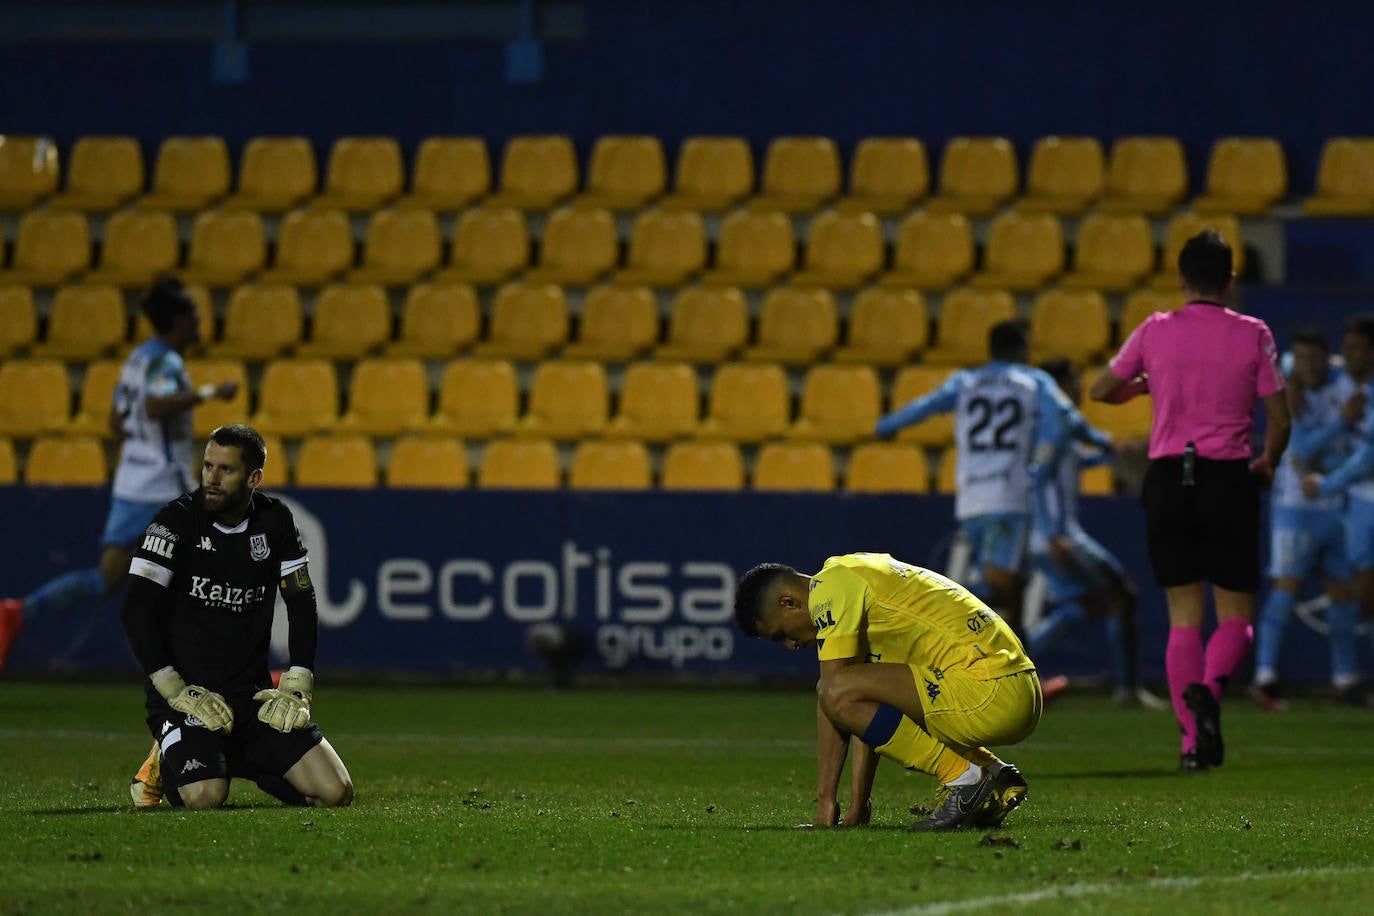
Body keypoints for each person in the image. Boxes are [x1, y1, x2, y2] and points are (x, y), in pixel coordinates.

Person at [1088, 229, 1290, 772]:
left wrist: (1150, 385)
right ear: (1230, 280)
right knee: (1236, 615)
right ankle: (1211, 689)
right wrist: (1266, 463)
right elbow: (1281, 418)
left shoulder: (1156, 330)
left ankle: (1189, 746)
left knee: (1183, 618)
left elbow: (1101, 389)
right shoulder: (1252, 332)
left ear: (1182, 280)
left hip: (1168, 480)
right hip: (1228, 478)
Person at [0, 277, 238, 669]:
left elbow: (116, 420)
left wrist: (144, 444)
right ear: (180, 320)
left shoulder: (137, 360)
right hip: (164, 485)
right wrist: (211, 393)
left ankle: (18, 612)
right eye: (194, 316)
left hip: (131, 483)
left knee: (107, 579)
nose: (198, 323)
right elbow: (155, 407)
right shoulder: (166, 362)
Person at [119, 423, 353, 809]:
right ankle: (165, 755)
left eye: (225, 470)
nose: (211, 478)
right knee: (205, 796)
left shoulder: (276, 521)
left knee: (335, 792)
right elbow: (136, 609)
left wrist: (298, 679)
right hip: (187, 699)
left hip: (251, 697)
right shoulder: (174, 522)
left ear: (254, 477)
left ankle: (237, 756)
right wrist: (173, 689)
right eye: (208, 465)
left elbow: (300, 599)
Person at [734, 553, 1041, 831]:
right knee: (846, 691)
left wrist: (826, 802)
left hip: (988, 689)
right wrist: (858, 805)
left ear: (789, 603)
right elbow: (867, 712)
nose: (791, 645)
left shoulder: (831, 588)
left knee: (834, 689)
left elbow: (834, 695)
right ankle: (994, 774)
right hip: (1014, 686)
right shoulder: (857, 573)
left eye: (781, 635)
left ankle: (963, 779)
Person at [875, 321, 1069, 640]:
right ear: (1021, 348)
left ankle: (1022, 671)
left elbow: (926, 406)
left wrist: (887, 425)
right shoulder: (1033, 381)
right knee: (1000, 586)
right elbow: (1062, 418)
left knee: (1014, 586)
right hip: (1009, 496)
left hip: (970, 500)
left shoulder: (965, 382)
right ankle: (925, 615)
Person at [1027, 358, 1167, 710]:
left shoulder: (1056, 426)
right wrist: (1052, 534)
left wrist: (1113, 454)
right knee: (1122, 595)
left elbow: (1072, 462)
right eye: (1073, 381)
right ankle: (1127, 689)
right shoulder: (1055, 424)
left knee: (1089, 605)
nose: (1079, 389)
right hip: (1060, 535)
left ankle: (1012, 657)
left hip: (1052, 535)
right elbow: (1037, 479)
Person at [1250, 325, 1363, 709]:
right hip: (1293, 507)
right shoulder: (1286, 389)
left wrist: (1329, 459)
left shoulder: (1344, 384)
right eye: (1301, 358)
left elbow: (1331, 454)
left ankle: (1345, 678)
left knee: (1342, 592)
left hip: (1335, 505)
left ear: (1326, 358)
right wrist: (1340, 424)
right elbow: (1298, 453)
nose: (1309, 365)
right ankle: (1265, 675)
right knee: (1285, 589)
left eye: (1315, 358)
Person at [1299, 315, 1374, 706]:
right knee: (1364, 596)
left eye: (1357, 347)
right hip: (1360, 503)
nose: (1348, 354)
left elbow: (1369, 457)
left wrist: (1325, 485)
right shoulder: (1348, 387)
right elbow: (1295, 363)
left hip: (1357, 496)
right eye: (1346, 347)